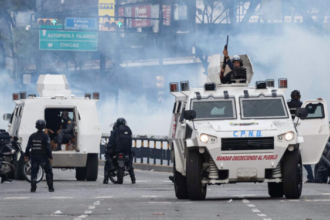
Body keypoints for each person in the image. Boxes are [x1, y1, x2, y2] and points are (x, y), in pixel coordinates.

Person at [287, 90, 315, 183]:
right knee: (302, 156)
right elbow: (310, 111)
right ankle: (310, 177)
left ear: (291, 96)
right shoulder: (301, 105)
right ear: (299, 96)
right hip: (299, 130)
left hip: (287, 131)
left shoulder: (286, 104)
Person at [24, 120, 54, 192]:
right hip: (44, 156)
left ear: (36, 126)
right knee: (48, 171)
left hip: (34, 156)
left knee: (34, 171)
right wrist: (50, 157)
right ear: (44, 126)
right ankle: (50, 188)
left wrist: (26, 155)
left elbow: (28, 147)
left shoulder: (32, 136)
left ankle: (33, 187)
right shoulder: (45, 136)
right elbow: (48, 147)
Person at [104, 118, 136, 184]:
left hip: (116, 151)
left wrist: (108, 146)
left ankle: (106, 179)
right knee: (130, 161)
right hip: (126, 151)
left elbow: (111, 142)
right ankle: (133, 179)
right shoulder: (128, 130)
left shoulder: (114, 132)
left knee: (107, 155)